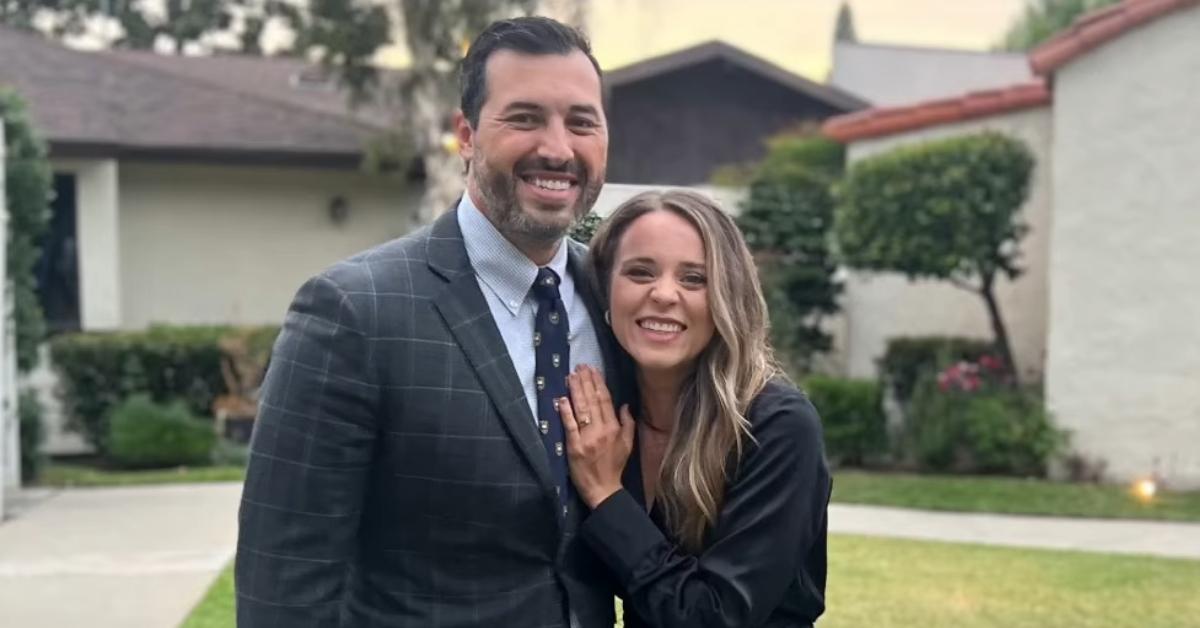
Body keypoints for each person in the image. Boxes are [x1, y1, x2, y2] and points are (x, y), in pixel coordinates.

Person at [235, 16, 626, 628]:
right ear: (466, 136)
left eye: (582, 122)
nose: (558, 148)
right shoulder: (353, 312)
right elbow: (283, 582)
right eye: (524, 118)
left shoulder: (615, 301)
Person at [559, 190, 831, 628]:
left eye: (694, 279)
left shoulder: (777, 427)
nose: (664, 294)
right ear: (606, 292)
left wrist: (606, 497)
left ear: (729, 297)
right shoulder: (605, 428)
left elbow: (713, 617)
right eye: (640, 272)